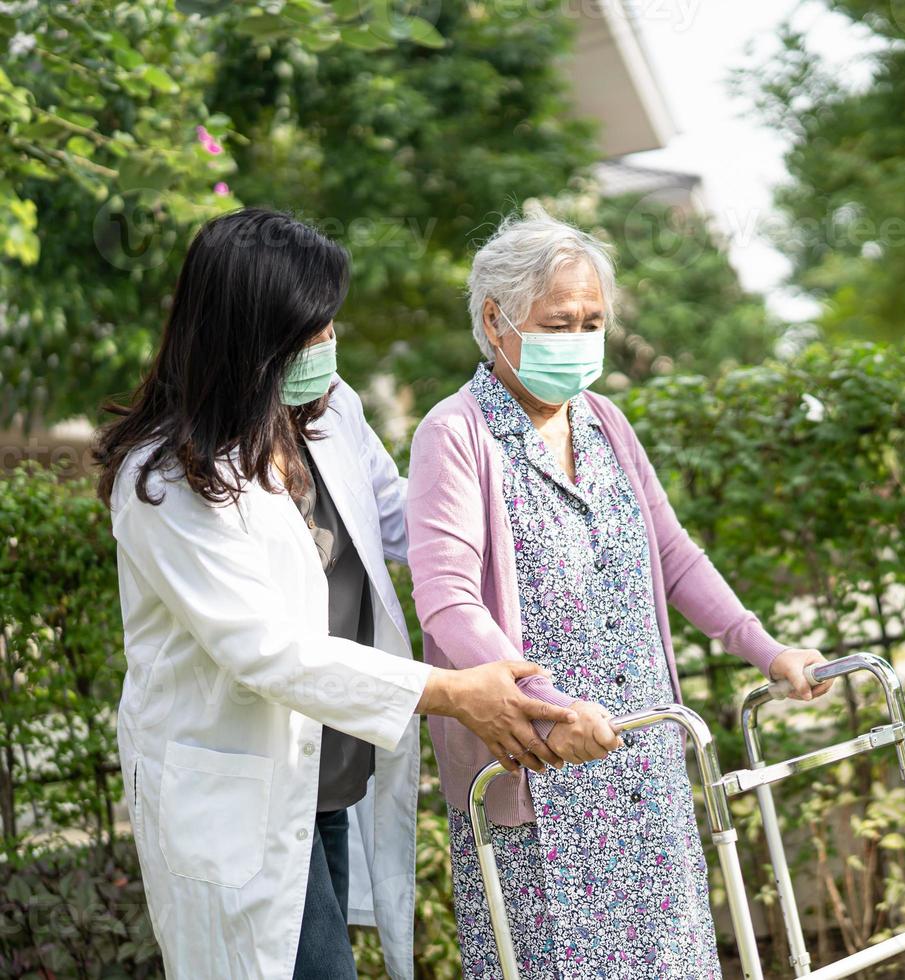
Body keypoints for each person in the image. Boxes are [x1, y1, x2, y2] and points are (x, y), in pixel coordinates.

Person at [94, 208, 583, 979]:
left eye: (330, 325)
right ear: (247, 336)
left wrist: (541, 563)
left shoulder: (328, 415)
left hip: (329, 781)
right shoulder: (165, 484)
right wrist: (454, 690)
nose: (328, 345)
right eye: (309, 330)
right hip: (238, 797)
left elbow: (407, 527)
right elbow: (268, 652)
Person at [405, 208, 833, 978]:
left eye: (592, 320)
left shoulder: (605, 421)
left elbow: (674, 555)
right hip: (543, 774)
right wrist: (546, 703)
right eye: (559, 321)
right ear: (495, 322)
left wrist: (768, 652)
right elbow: (445, 600)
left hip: (643, 765)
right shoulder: (454, 432)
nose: (578, 338)